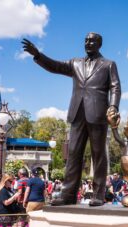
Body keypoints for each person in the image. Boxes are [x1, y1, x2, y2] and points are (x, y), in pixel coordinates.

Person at [22, 32, 121, 207]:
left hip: (98, 114)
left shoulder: (108, 64)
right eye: (85, 40)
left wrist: (113, 106)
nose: (87, 43)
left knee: (98, 155)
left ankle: (98, 194)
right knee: (74, 153)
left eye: (91, 41)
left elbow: (115, 87)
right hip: (77, 113)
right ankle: (68, 194)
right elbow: (55, 66)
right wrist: (37, 55)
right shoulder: (75, 63)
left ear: (99, 44)